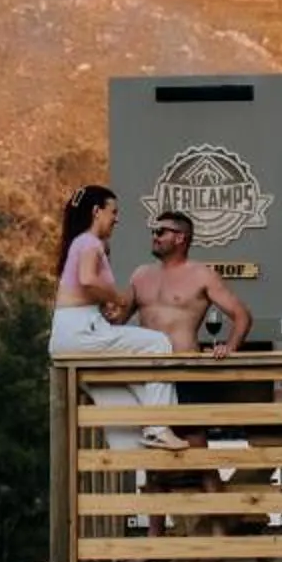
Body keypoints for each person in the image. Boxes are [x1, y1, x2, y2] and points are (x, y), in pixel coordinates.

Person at [50, 184, 184, 451]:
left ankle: (139, 454)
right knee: (158, 344)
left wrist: (103, 305)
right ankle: (158, 428)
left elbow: (79, 292)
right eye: (114, 212)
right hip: (82, 332)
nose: (117, 218)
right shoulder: (89, 242)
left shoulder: (78, 244)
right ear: (97, 212)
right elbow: (88, 280)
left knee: (132, 394)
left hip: (72, 332)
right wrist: (116, 297)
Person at [128, 210, 252, 357]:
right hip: (143, 367)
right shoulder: (140, 275)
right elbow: (116, 319)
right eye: (153, 231)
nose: (155, 237)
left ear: (180, 237)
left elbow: (242, 316)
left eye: (160, 232)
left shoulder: (202, 275)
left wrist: (229, 348)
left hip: (184, 368)